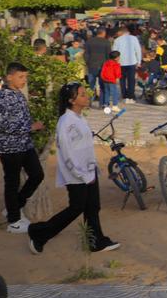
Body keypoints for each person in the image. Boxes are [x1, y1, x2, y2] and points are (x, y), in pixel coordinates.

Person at [27, 83, 120, 255]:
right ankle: (39, 232)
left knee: (93, 207)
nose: (87, 96)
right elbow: (67, 154)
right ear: (71, 100)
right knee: (76, 208)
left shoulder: (79, 118)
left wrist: (91, 169)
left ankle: (96, 241)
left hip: (89, 170)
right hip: (77, 174)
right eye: (82, 94)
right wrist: (81, 175)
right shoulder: (65, 122)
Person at [0, 63, 45, 234]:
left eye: (25, 77)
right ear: (9, 77)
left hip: (25, 144)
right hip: (9, 147)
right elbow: (2, 124)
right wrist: (31, 127)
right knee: (12, 182)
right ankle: (14, 221)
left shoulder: (17, 93)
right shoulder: (2, 97)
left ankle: (14, 206)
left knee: (37, 175)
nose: (24, 80)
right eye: (21, 77)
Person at [112, 25, 142, 101]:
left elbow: (114, 52)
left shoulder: (117, 40)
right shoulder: (134, 38)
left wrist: (115, 63)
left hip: (121, 63)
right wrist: (139, 61)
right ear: (127, 32)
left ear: (121, 32)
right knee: (131, 80)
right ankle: (131, 95)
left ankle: (124, 94)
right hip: (132, 62)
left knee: (122, 80)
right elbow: (138, 50)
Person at [84, 28, 111, 108]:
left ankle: (88, 103)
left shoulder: (89, 41)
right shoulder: (106, 42)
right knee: (103, 86)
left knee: (90, 85)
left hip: (91, 65)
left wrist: (87, 62)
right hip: (103, 66)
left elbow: (86, 54)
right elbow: (108, 55)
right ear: (103, 33)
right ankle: (103, 103)